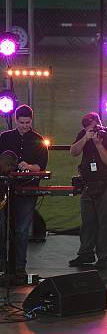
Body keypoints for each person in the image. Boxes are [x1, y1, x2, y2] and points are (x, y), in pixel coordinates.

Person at [0, 105, 48, 283]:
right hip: (4, 189)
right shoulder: (4, 138)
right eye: (22, 123)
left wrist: (28, 167)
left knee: (21, 229)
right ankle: (3, 265)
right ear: (15, 120)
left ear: (31, 121)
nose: (25, 126)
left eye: (28, 123)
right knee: (3, 227)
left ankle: (19, 266)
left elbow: (41, 167)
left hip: (27, 190)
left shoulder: (39, 140)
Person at [68, 112, 107, 270]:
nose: (92, 130)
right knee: (88, 220)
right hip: (88, 183)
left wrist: (98, 144)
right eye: (88, 128)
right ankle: (86, 253)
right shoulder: (84, 135)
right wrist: (85, 138)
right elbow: (73, 152)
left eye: (93, 126)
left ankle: (104, 256)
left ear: (99, 123)